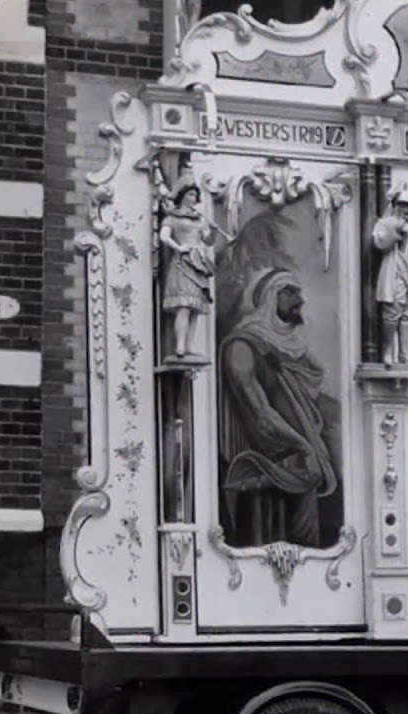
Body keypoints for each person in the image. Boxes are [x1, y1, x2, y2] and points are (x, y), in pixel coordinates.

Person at [218, 268, 340, 548]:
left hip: (302, 469)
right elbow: (261, 415)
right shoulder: (243, 346)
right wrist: (304, 446)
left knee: (308, 548)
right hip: (267, 468)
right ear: (272, 297)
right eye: (291, 292)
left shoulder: (295, 350)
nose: (300, 299)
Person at [159, 174, 217, 359]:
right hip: (183, 261)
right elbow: (164, 236)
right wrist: (179, 247)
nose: (193, 199)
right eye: (191, 194)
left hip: (198, 263)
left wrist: (213, 230)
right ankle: (180, 347)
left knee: (195, 308)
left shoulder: (198, 219)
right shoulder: (173, 218)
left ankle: (190, 346)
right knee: (184, 306)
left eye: (195, 195)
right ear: (183, 196)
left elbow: (208, 241)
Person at [373, 184, 408, 368]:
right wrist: (394, 231)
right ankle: (388, 351)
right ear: (395, 204)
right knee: (392, 312)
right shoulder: (385, 222)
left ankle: (405, 353)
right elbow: (379, 242)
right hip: (395, 271)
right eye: (402, 205)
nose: (405, 209)